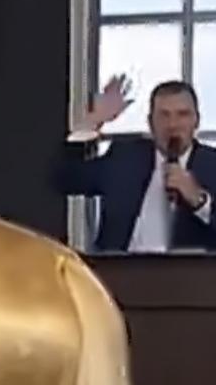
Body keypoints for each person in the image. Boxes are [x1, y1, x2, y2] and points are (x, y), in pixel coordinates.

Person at [52, 76, 216, 253]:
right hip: (121, 266)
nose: (172, 124)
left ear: (196, 121)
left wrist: (200, 201)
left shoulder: (212, 164)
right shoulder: (125, 157)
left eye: (182, 114)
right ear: (150, 122)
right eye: (164, 115)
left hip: (188, 269)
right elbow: (64, 179)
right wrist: (91, 122)